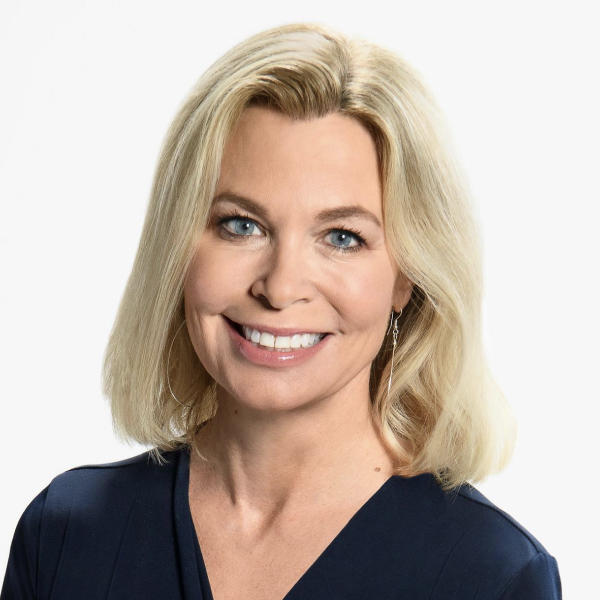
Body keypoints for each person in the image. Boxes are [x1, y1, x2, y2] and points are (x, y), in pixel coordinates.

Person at [1, 22, 562, 600]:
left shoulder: (493, 576)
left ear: (407, 279)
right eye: (241, 225)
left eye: (342, 237)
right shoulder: (65, 536)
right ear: (177, 248)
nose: (280, 286)